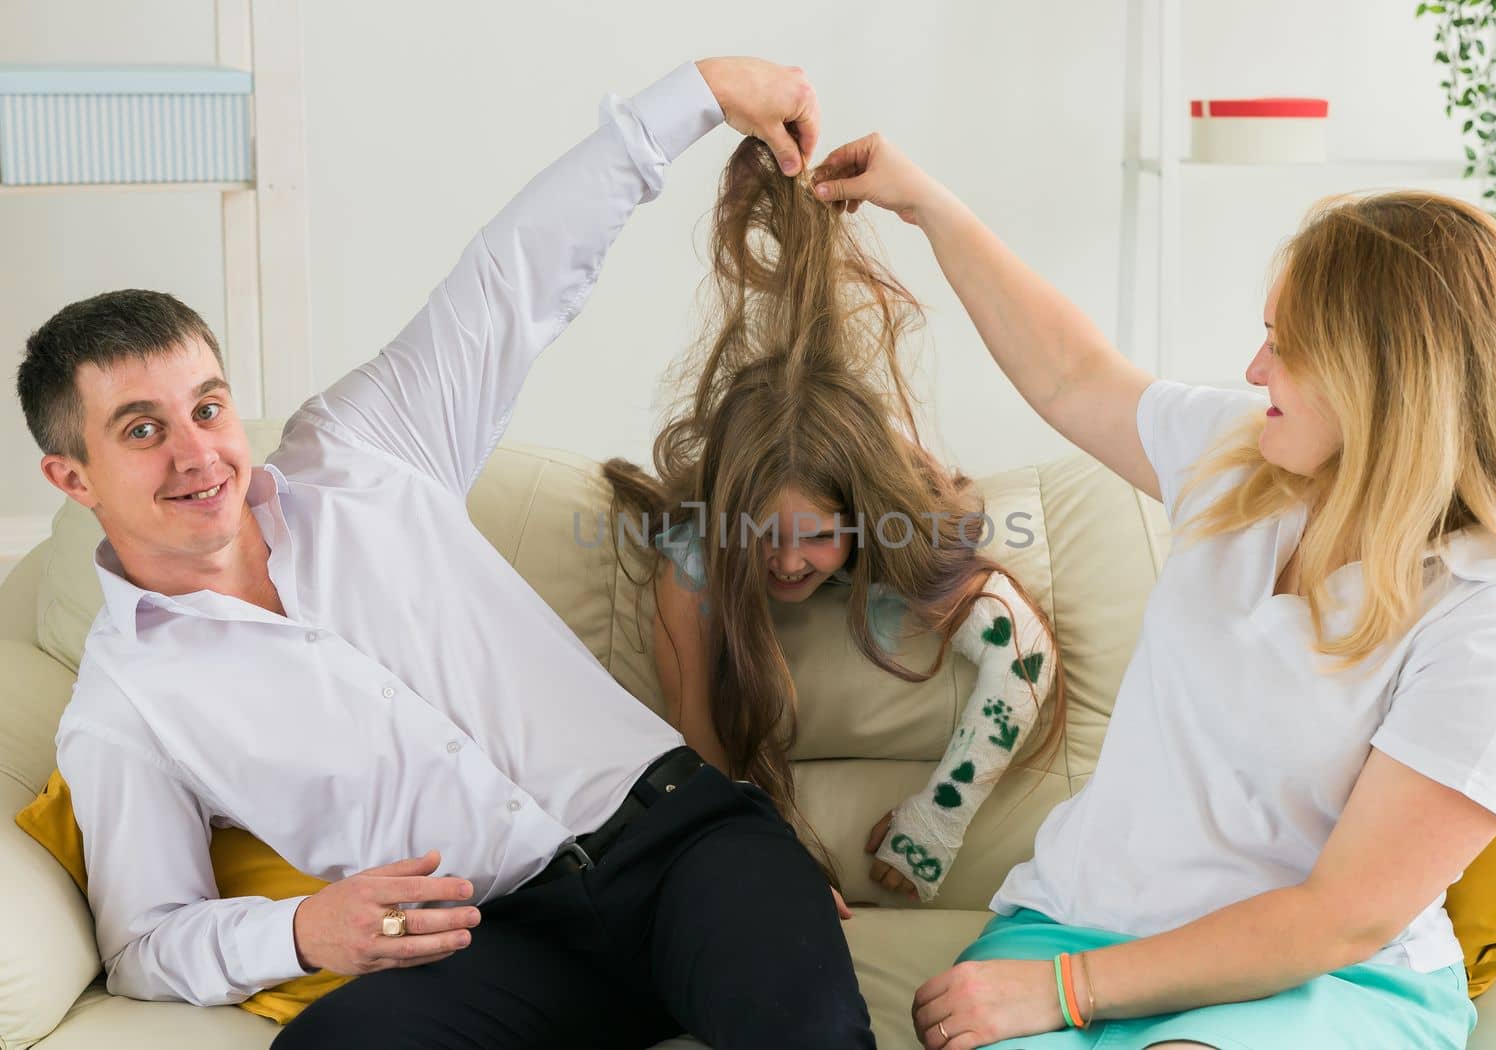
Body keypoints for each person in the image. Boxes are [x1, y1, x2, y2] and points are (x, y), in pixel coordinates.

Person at [15, 58, 878, 1050]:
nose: (197, 450)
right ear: (73, 478)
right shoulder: (122, 704)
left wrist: (697, 94)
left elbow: (512, 275)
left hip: (685, 850)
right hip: (498, 942)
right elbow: (146, 942)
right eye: (140, 429)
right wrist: (296, 929)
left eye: (207, 405)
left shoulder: (363, 449)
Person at [807, 134, 1496, 1049]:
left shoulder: (1494, 627)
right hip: (1080, 921)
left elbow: (1342, 917)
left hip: (1323, 977)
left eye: (1285, 347)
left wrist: (1069, 992)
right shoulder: (1246, 461)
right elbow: (1073, 375)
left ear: (1385, 387)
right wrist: (930, 207)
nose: (1256, 371)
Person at [603, 136, 1068, 909]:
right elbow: (703, 766)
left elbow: (1023, 660)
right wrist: (770, 867)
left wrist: (936, 820)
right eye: (765, 537)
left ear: (857, 521)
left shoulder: (893, 526)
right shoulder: (695, 562)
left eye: (817, 535)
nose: (787, 564)